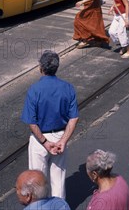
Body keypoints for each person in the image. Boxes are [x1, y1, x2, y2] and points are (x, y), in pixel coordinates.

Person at [21, 50, 79, 199]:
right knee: (58, 180)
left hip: (40, 140)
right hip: (60, 136)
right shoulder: (68, 88)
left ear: (41, 68)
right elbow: (73, 118)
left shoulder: (34, 90)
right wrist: (63, 141)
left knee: (36, 183)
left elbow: (32, 123)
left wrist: (45, 142)